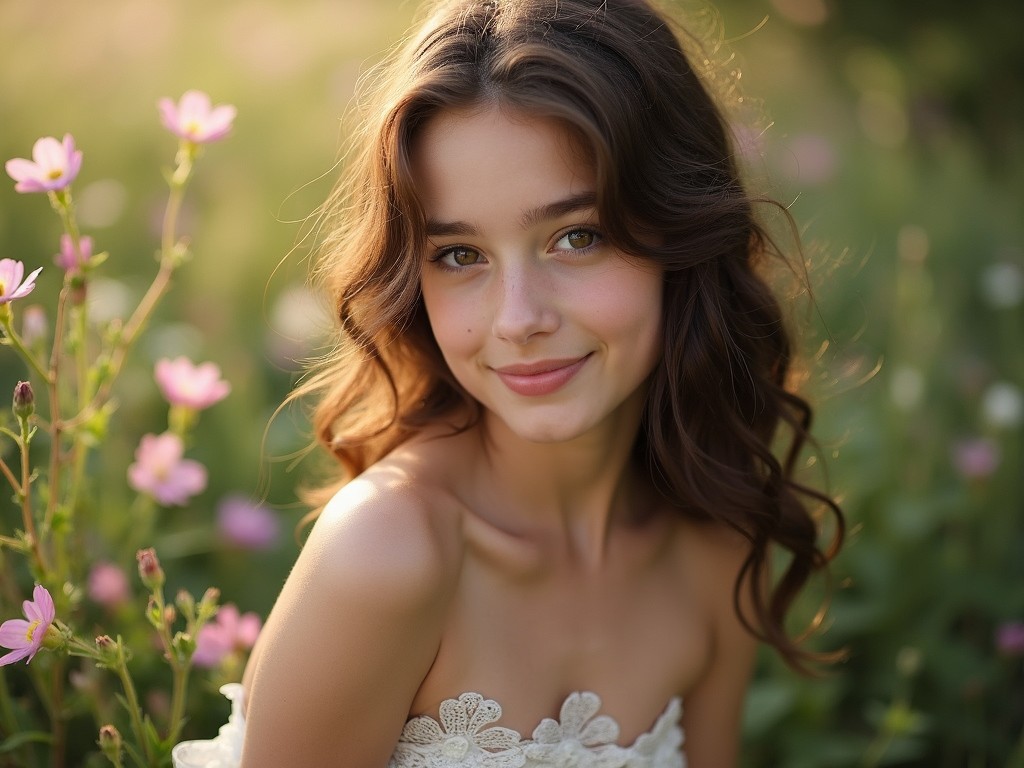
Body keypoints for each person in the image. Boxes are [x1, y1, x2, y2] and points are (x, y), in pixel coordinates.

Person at [173, 0, 844, 765]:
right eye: (461, 255)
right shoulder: (387, 553)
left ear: (683, 234)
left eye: (577, 237)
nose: (518, 319)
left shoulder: (714, 546)